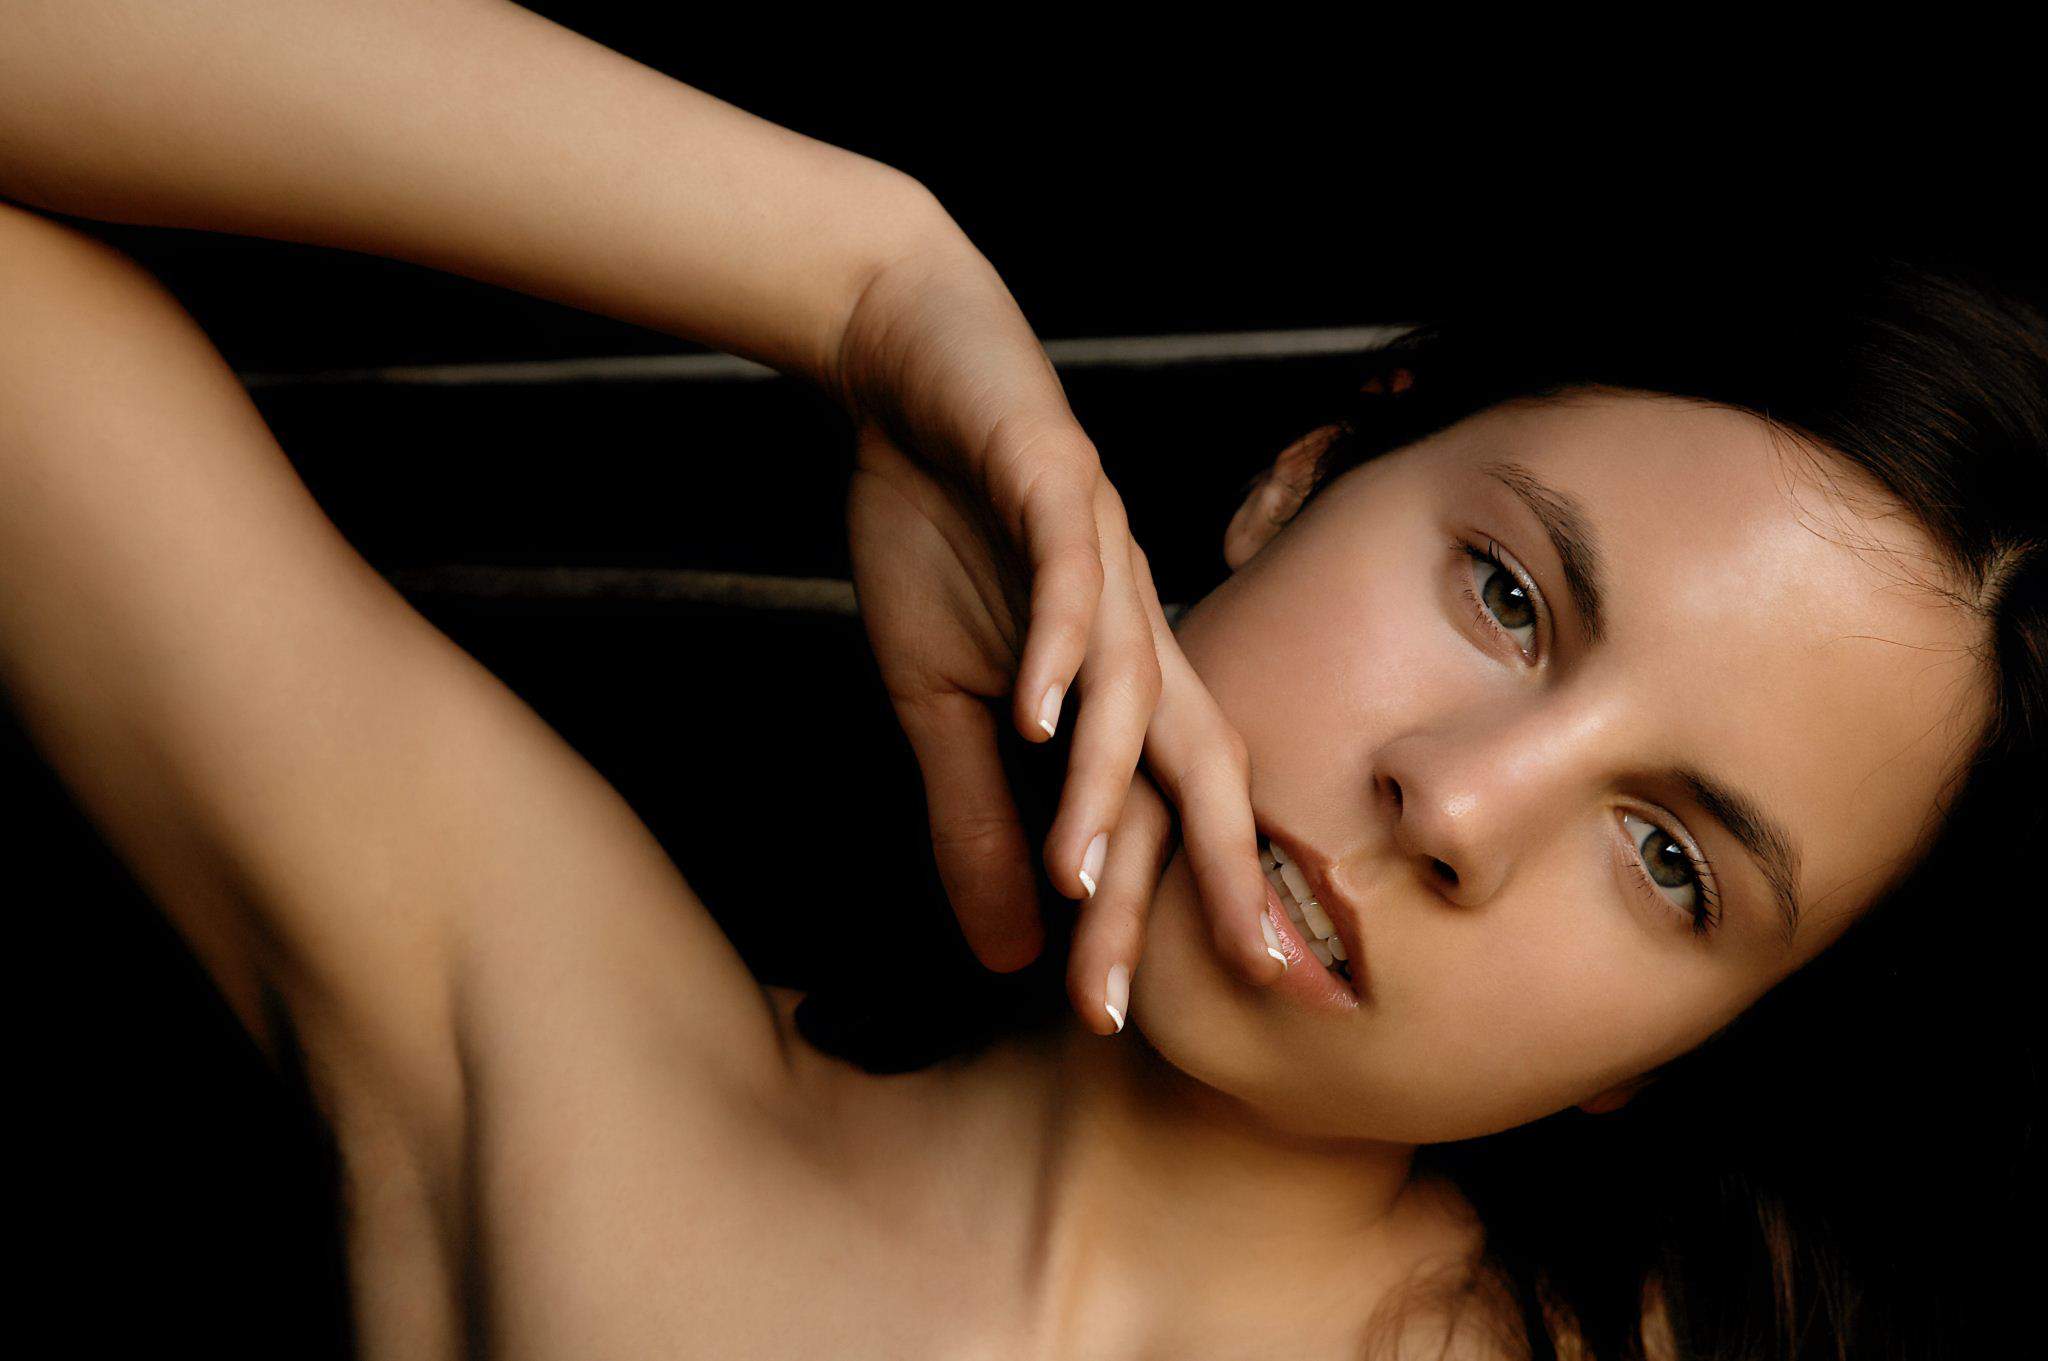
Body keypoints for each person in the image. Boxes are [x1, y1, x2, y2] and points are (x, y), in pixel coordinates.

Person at [2, 6, 2040, 1359]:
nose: (1456, 803)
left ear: (1669, 1056)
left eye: (1671, 861)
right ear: (1309, 470)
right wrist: (862, 281)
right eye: (1506, 594)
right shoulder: (561, 1077)